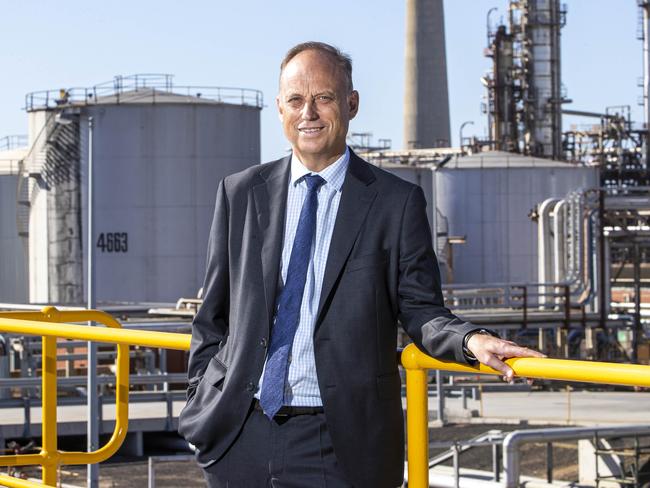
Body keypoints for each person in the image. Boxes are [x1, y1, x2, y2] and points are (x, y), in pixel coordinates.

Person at [178, 41, 544, 488]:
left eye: (324, 98)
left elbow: (422, 311)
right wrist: (200, 401)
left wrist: (472, 341)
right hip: (239, 435)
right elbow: (212, 315)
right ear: (279, 109)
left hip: (339, 444)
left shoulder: (394, 202)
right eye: (295, 99)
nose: (308, 112)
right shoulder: (240, 193)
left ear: (351, 104)